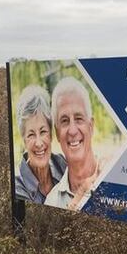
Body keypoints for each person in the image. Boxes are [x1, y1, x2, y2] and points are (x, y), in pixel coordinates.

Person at [45, 77, 100, 210]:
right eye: (64, 120)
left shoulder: (112, 177)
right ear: (57, 133)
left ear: (91, 126)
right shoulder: (51, 202)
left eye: (79, 118)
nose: (72, 130)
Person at [14, 85, 67, 204]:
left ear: (51, 135)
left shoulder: (62, 164)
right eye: (31, 134)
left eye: (43, 132)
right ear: (24, 140)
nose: (38, 143)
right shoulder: (17, 187)